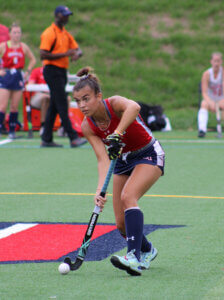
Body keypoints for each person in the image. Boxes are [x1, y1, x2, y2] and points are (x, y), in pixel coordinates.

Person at [73, 67, 165, 276]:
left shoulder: (114, 104)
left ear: (99, 96)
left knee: (128, 196)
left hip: (147, 153)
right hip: (122, 161)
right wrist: (99, 190)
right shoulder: (88, 126)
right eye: (78, 101)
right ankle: (147, 250)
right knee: (121, 225)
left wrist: (117, 133)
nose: (82, 105)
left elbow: (134, 106)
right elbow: (102, 159)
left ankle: (134, 257)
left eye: (86, 99)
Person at [39, 5, 86, 147]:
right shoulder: (49, 32)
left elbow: (78, 49)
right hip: (52, 71)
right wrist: (66, 54)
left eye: (68, 15)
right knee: (61, 104)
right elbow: (43, 54)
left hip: (61, 72)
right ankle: (73, 137)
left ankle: (46, 138)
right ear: (57, 15)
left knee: (54, 105)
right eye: (64, 15)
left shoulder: (65, 33)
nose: (66, 17)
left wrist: (77, 54)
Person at [0, 23, 36, 138]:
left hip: (18, 76)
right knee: (3, 106)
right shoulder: (4, 46)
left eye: (18, 32)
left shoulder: (23, 46)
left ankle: (12, 131)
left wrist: (28, 71)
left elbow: (33, 59)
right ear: (10, 33)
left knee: (14, 106)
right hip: (6, 76)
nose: (16, 35)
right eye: (14, 32)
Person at [198, 52, 224, 138]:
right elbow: (204, 92)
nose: (216, 63)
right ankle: (202, 130)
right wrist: (211, 102)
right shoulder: (207, 74)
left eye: (218, 61)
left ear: (221, 62)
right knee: (203, 104)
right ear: (211, 61)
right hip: (210, 99)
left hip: (221, 99)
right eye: (215, 61)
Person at [28, 64, 50, 136]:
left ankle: (63, 127)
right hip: (39, 95)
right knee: (45, 98)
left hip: (52, 95)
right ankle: (43, 126)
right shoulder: (37, 71)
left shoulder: (57, 72)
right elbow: (30, 85)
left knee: (67, 99)